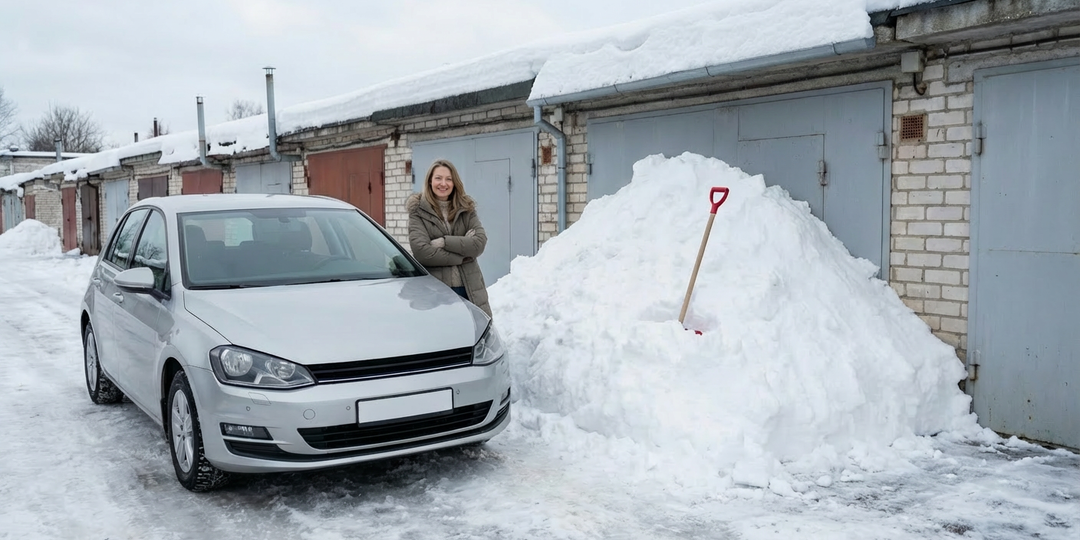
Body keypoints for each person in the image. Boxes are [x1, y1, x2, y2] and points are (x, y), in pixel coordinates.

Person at [407, 159, 492, 318]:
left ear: (454, 183)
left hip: (470, 288)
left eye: (448, 179)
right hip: (437, 290)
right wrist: (462, 255)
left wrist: (444, 242)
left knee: (476, 335)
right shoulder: (418, 212)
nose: (443, 183)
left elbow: (479, 244)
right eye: (438, 178)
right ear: (430, 181)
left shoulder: (466, 209)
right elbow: (422, 252)